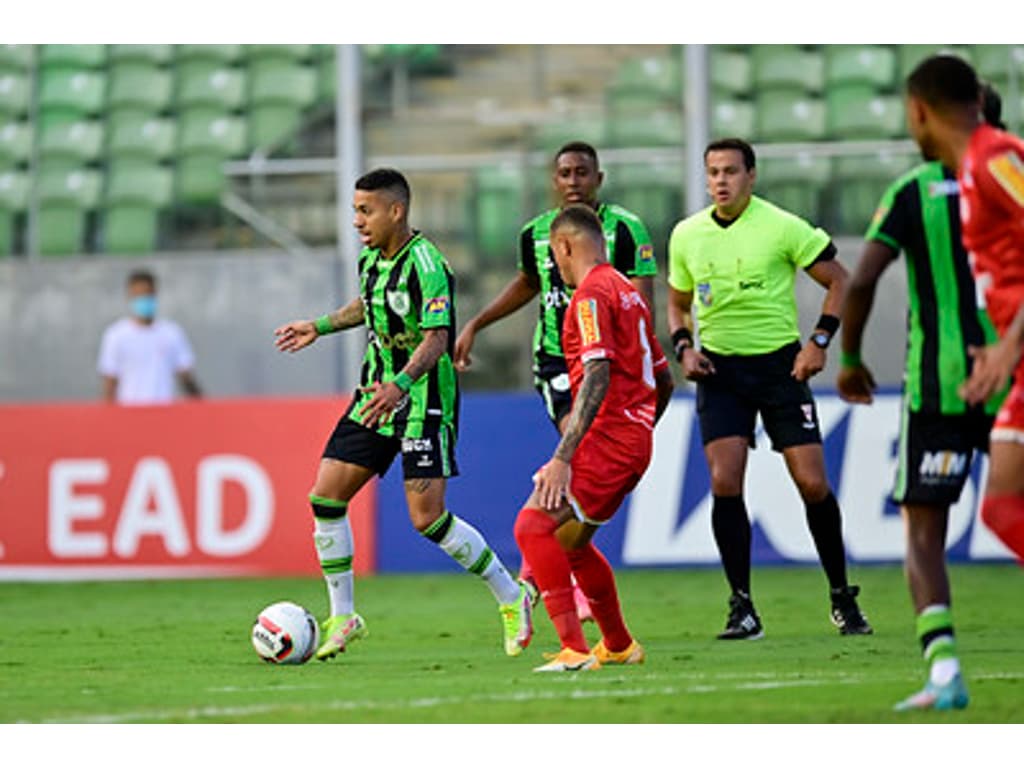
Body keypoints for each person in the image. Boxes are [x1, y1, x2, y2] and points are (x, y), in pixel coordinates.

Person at [274, 168, 532, 661]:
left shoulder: (429, 264)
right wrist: (319, 326)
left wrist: (402, 385)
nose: (357, 221)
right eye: (354, 210)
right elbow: (369, 307)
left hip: (422, 399)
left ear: (397, 211)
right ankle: (343, 615)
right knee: (325, 498)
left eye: (365, 210)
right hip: (377, 394)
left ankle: (511, 594)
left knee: (427, 519)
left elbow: (438, 338)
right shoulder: (372, 258)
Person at [838, 80, 1009, 712]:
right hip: (1010, 378)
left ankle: (943, 671)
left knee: (923, 530)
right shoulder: (1013, 174)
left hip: (936, 392)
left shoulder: (911, 192)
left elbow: (861, 282)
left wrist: (850, 360)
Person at [666, 137, 871, 641]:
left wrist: (818, 342)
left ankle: (841, 596)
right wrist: (684, 348)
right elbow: (677, 303)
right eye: (713, 171)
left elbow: (840, 280)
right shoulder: (687, 234)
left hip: (782, 368)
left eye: (731, 171)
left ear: (751, 176)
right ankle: (742, 607)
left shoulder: (782, 225)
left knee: (813, 484)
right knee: (724, 480)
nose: (720, 181)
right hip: (720, 373)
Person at [455, 141, 658, 621]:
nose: (572, 181)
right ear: (553, 180)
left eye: (581, 173)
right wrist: (478, 322)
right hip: (558, 365)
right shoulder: (536, 234)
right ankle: (547, 572)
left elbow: (640, 306)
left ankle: (545, 569)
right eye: (564, 173)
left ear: (598, 179)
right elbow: (528, 283)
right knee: (577, 452)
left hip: (609, 366)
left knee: (581, 473)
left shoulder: (626, 230)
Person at [513, 203, 674, 672]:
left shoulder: (588, 297)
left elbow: (598, 372)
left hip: (608, 437)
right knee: (570, 542)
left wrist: (564, 456)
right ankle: (619, 644)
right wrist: (640, 427)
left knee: (532, 527)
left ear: (564, 246)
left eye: (554, 256)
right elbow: (663, 379)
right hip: (631, 438)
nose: (554, 267)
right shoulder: (628, 292)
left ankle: (574, 651)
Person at [904, 54, 1024, 571]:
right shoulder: (974, 168)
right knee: (1000, 509)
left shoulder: (995, 157)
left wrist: (1010, 344)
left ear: (918, 112)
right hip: (1012, 359)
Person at [97, 269, 202, 405]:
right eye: (138, 295)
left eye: (147, 294)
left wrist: (205, 410)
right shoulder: (116, 335)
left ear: (155, 294)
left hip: (163, 413)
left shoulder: (172, 333)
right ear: (130, 296)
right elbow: (110, 383)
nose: (144, 300)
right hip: (129, 414)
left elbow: (186, 379)